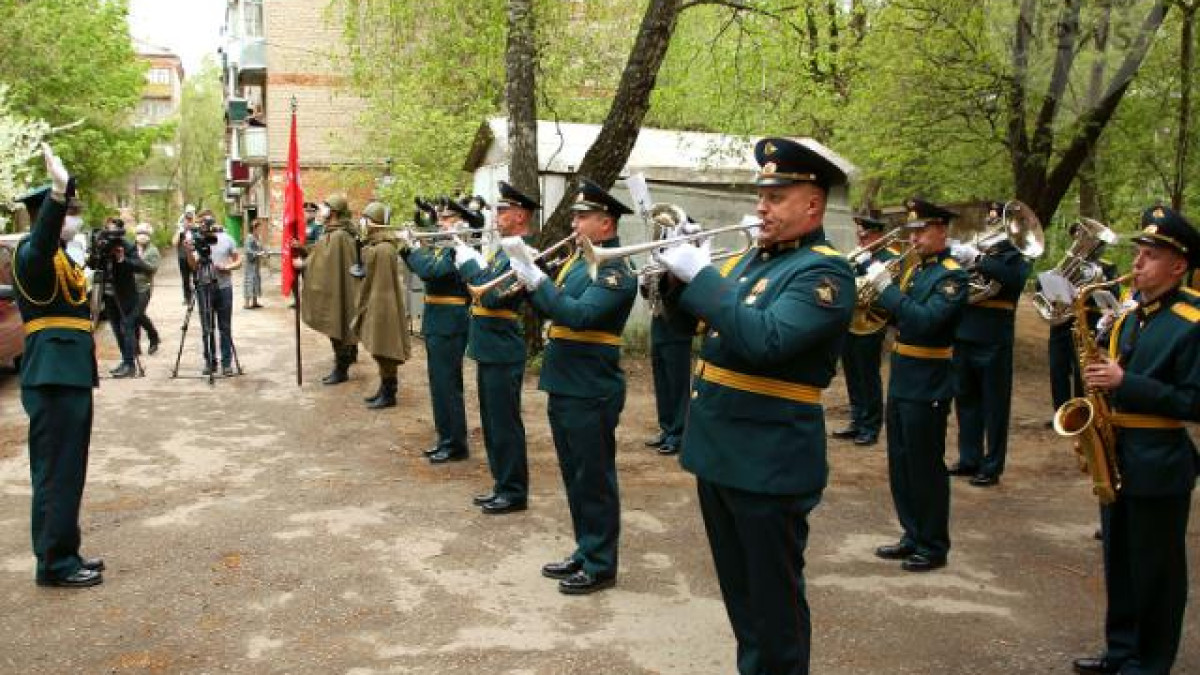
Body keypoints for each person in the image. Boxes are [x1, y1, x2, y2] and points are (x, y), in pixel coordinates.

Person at [653, 138, 855, 674]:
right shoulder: (752, 260)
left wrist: (704, 277)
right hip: (720, 451)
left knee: (773, 608)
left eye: (776, 197)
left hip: (769, 460)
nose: (762, 207)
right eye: (761, 196)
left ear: (812, 204)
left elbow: (765, 341)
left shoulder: (824, 273)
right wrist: (675, 278)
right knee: (743, 600)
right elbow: (687, 327)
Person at [1071, 206, 1200, 675]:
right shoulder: (1129, 313)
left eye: (1151, 256)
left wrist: (1127, 382)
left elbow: (1194, 401)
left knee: (1156, 569)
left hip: (1159, 459)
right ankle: (1121, 649)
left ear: (1178, 266)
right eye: (1139, 253)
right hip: (1118, 453)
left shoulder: (1192, 321)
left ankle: (1151, 661)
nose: (1138, 262)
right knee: (1120, 560)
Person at [504, 178, 637, 594]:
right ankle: (586, 548)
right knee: (575, 475)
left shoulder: (616, 271)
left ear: (606, 223)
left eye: (583, 217)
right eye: (575, 217)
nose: (575, 224)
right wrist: (530, 281)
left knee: (594, 478)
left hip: (590, 385)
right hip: (566, 380)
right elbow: (553, 308)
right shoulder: (579, 263)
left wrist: (538, 281)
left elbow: (578, 316)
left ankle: (601, 563)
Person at [12, 144, 104, 587]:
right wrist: (56, 190)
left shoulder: (61, 257)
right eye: (68, 209)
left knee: (69, 469)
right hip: (52, 376)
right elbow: (43, 240)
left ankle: (66, 550)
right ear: (44, 215)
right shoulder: (32, 252)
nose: (73, 216)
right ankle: (54, 563)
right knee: (55, 473)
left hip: (68, 374)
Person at [867, 198, 968, 572]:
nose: (914, 239)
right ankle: (912, 533)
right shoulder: (916, 271)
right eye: (912, 232)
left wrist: (888, 291)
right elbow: (901, 319)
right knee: (901, 462)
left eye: (921, 231)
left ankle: (933, 544)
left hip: (929, 381)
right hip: (903, 375)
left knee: (925, 466)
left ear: (941, 230)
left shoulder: (952, 277)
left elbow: (925, 322)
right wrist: (876, 297)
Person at [455, 181, 537, 514]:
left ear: (520, 216)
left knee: (505, 424)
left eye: (503, 211)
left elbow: (489, 296)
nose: (497, 216)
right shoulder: (504, 250)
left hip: (503, 349)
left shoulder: (522, 253)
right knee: (492, 423)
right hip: (490, 347)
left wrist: (470, 264)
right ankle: (502, 483)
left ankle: (514, 491)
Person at [948, 201, 1033, 486]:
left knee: (995, 406)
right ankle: (969, 458)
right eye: (991, 219)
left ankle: (992, 465)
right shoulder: (978, 247)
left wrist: (977, 259)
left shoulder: (1018, 253)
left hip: (994, 336)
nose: (992, 223)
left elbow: (1014, 280)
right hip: (964, 332)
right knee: (965, 400)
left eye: (999, 220)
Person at [401, 200, 472, 463]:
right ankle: (446, 438)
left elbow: (431, 271)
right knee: (439, 384)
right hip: (438, 320)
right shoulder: (446, 246)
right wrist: (409, 249)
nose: (441, 223)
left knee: (447, 385)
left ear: (460, 220)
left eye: (446, 218)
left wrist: (408, 248)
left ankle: (455, 444)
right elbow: (425, 265)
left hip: (449, 322)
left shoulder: (460, 248)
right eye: (440, 218)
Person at [831, 211, 898, 447]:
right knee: (852, 373)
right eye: (859, 234)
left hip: (872, 321)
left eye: (866, 235)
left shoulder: (890, 257)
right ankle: (857, 420)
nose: (861, 238)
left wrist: (867, 266)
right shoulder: (857, 255)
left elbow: (884, 290)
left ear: (878, 234)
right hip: (851, 320)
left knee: (868, 375)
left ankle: (871, 426)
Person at [641, 215, 698, 457]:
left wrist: (666, 274)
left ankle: (679, 433)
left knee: (677, 381)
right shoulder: (661, 254)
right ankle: (666, 428)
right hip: (659, 322)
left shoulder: (689, 255)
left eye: (670, 228)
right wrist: (646, 280)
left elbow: (679, 291)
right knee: (662, 379)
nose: (665, 232)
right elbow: (649, 294)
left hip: (678, 324)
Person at [294, 194, 361, 384]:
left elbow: (322, 262)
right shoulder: (333, 232)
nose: (321, 210)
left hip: (338, 288)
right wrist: (302, 248)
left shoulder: (338, 235)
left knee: (338, 326)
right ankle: (343, 362)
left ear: (334, 211)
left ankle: (341, 369)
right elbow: (320, 251)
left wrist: (304, 264)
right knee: (339, 326)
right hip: (336, 286)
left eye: (325, 206)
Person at [352, 202, 411, 409]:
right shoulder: (377, 245)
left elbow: (382, 283)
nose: (363, 222)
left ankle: (389, 393)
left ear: (375, 221)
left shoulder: (384, 248)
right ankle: (384, 388)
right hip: (377, 303)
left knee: (385, 349)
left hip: (383, 306)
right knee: (379, 349)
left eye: (366, 219)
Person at [95, 217, 153, 379]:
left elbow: (139, 266)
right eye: (108, 230)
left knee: (127, 327)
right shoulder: (103, 244)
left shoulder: (127, 246)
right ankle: (125, 361)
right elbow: (94, 264)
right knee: (116, 329)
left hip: (125, 295)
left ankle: (130, 365)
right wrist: (98, 251)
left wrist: (122, 259)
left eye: (114, 231)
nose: (111, 235)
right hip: (108, 295)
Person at [185, 211, 241, 376]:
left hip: (224, 287)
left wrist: (227, 267)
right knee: (207, 328)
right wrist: (188, 251)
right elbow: (193, 266)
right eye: (201, 222)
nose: (203, 225)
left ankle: (226, 364)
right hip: (204, 287)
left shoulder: (227, 239)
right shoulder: (197, 240)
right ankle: (210, 362)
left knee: (225, 327)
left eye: (206, 221)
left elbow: (238, 261)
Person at [132, 222, 161, 356]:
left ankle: (153, 336)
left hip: (144, 287)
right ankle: (135, 346)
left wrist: (138, 260)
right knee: (133, 317)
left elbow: (152, 268)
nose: (142, 236)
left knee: (138, 314)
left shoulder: (152, 251)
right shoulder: (131, 248)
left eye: (145, 233)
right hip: (130, 287)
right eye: (139, 233)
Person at [173, 205, 197, 305]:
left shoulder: (196, 228)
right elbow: (174, 243)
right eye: (187, 219)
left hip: (195, 257)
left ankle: (197, 296)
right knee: (185, 278)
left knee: (196, 277)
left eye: (190, 219)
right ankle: (187, 298)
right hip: (183, 256)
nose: (189, 222)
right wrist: (180, 231)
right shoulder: (180, 229)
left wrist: (194, 227)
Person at [243, 217, 266, 309]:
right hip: (250, 264)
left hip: (256, 264)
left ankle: (255, 302)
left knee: (256, 281)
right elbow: (248, 251)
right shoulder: (249, 238)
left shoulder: (258, 238)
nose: (260, 230)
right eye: (258, 228)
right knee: (249, 281)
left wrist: (265, 252)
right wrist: (258, 253)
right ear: (254, 228)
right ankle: (246, 303)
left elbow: (262, 248)